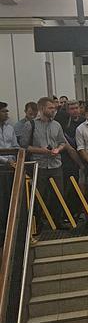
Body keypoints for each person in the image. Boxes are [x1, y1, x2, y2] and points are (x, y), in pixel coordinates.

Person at [20, 97, 67, 232]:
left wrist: (58, 149)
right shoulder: (31, 125)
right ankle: (38, 222)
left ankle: (57, 220)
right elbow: (23, 146)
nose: (54, 110)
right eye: (50, 108)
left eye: (54, 108)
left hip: (55, 164)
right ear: (42, 109)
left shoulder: (56, 125)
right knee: (39, 194)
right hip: (39, 165)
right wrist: (42, 151)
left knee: (58, 193)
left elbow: (62, 142)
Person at [0, 102, 19, 239]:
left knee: (10, 198)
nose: (7, 114)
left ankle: (10, 227)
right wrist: (7, 161)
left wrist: (14, 160)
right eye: (3, 111)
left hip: (12, 168)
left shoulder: (9, 128)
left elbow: (15, 146)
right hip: (2, 167)